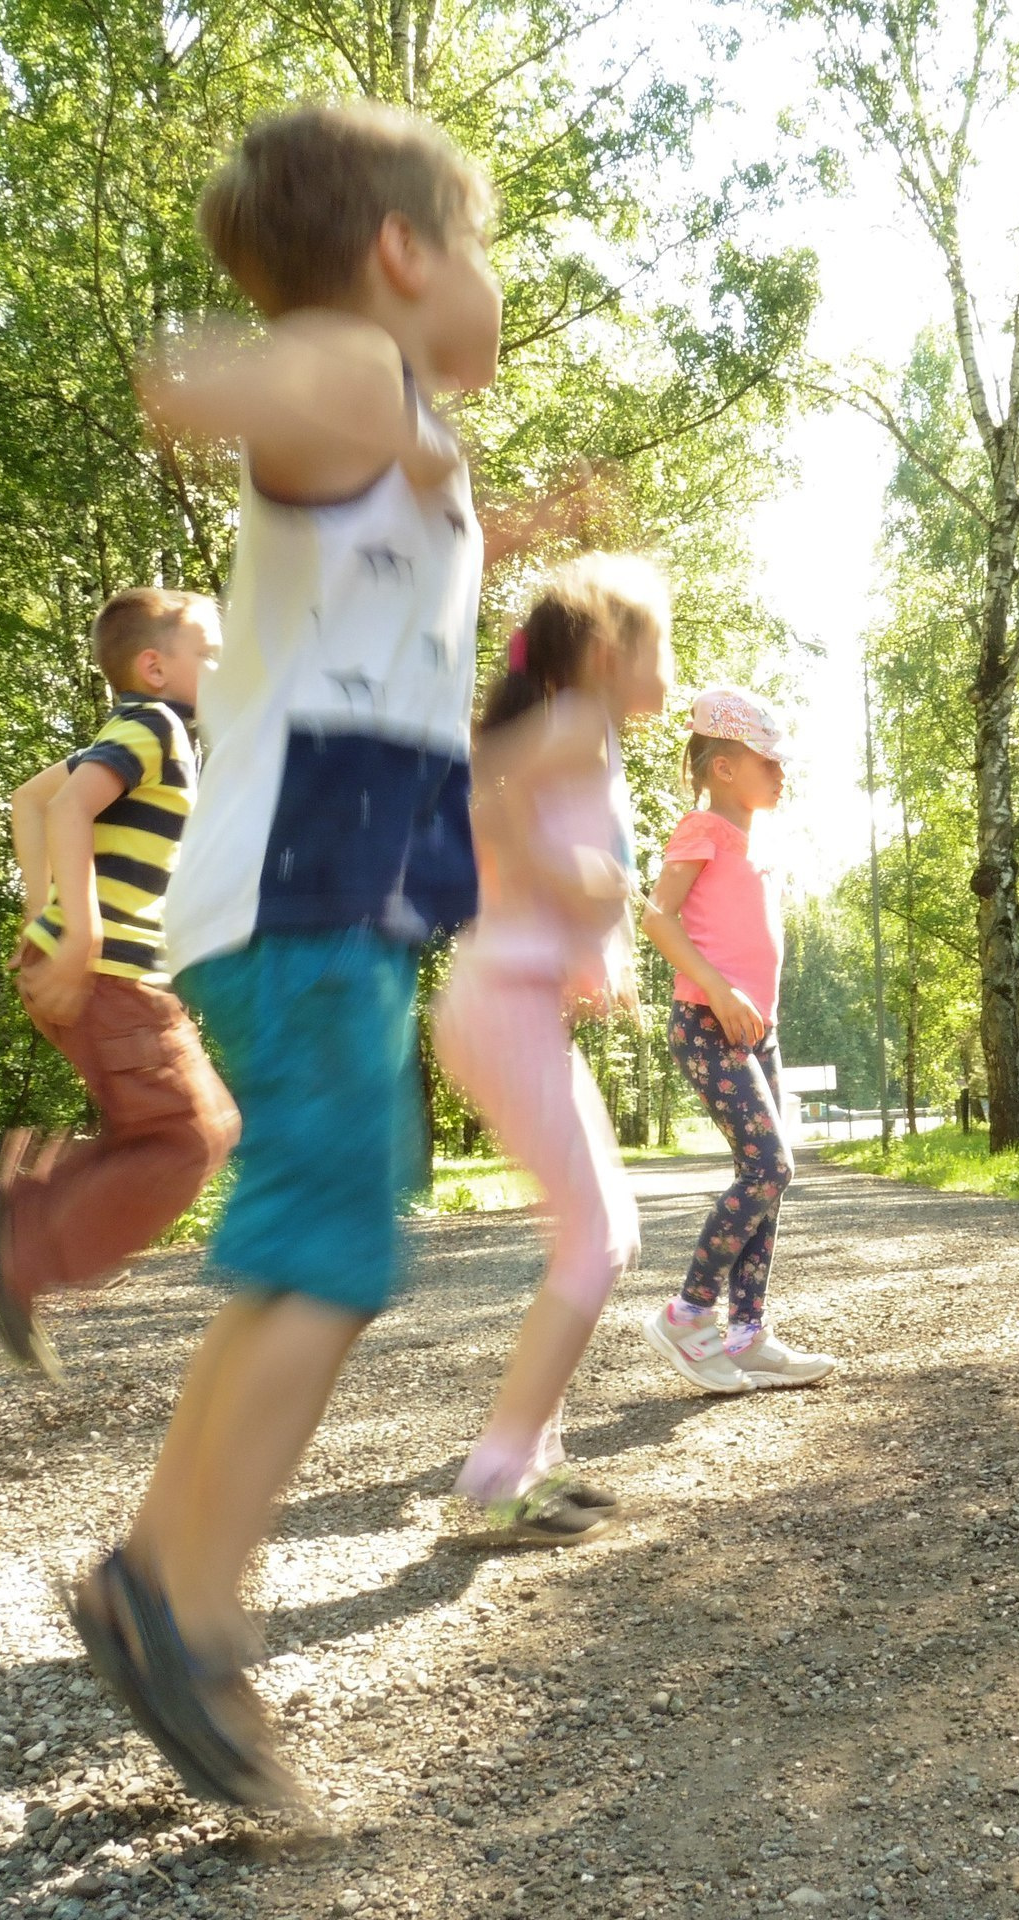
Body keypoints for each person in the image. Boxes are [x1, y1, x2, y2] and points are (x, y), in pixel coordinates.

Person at [49, 99, 589, 1810]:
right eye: (479, 249)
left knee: (307, 1249)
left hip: (317, 892)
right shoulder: (356, 375)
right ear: (403, 256)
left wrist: (471, 516)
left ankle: (157, 1572)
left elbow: (366, 602)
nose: (494, 286)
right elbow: (197, 383)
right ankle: (185, 1612)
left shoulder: (403, 428)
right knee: (334, 1248)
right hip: (302, 890)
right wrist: (283, 383)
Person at [431, 554, 670, 1544]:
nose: (671, 667)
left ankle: (532, 1462)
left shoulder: (591, 735)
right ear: (610, 653)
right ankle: (496, 1475)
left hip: (515, 1002)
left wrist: (595, 953)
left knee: (590, 1230)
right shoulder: (575, 723)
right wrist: (575, 883)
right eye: (664, 643)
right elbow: (477, 796)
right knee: (598, 1236)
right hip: (499, 1002)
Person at [0, 589, 238, 1379]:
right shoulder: (156, 726)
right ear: (155, 664)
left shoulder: (143, 733)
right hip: (110, 974)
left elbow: (31, 799)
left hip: (103, 972)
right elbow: (69, 806)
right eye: (211, 651)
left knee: (184, 1132)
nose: (225, 665)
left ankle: (16, 1199)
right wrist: (76, 933)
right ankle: (16, 1241)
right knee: (188, 1138)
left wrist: (43, 912)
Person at [638, 689, 835, 1393]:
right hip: (708, 1024)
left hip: (757, 1034)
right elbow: (658, 918)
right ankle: (688, 1314)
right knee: (769, 1168)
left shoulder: (751, 844)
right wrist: (719, 991)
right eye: (767, 761)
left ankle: (748, 1332)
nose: (782, 773)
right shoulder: (701, 829)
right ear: (723, 766)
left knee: (774, 1181)